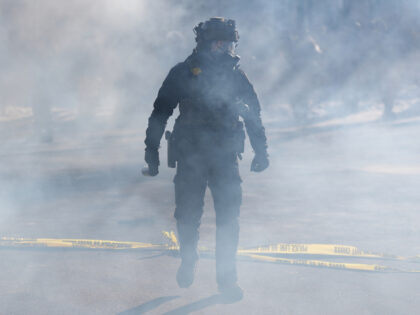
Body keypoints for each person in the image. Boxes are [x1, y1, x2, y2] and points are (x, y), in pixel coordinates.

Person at [144, 17, 268, 300]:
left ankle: (227, 280)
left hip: (225, 156)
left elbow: (253, 114)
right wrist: (151, 152)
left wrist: (262, 150)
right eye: (218, 42)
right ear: (204, 43)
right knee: (187, 215)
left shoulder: (237, 76)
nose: (224, 48)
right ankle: (189, 258)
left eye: (229, 42)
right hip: (190, 154)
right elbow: (160, 112)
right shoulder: (182, 73)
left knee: (229, 219)